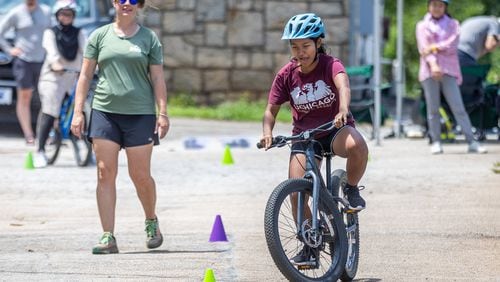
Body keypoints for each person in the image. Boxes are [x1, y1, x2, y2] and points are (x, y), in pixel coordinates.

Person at [259, 13, 368, 264]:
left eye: (306, 46)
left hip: (334, 129)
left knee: (358, 145)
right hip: (305, 137)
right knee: (296, 191)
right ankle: (311, 244)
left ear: (318, 43)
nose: (300, 52)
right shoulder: (286, 74)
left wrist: (343, 109)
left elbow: (343, 86)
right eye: (295, 47)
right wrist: (267, 133)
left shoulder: (331, 64)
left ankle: (351, 189)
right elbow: (270, 110)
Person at [70, 0, 169, 254]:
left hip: (140, 113)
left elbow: (157, 77)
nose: (127, 3)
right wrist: (78, 111)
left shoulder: (149, 38)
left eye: (133, 0)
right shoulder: (99, 35)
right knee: (104, 172)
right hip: (105, 112)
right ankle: (107, 236)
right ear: (114, 2)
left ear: (140, 5)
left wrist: (163, 113)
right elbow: (84, 75)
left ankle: (151, 220)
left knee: (140, 175)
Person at [415, 0, 487, 154]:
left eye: (440, 5)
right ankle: (436, 141)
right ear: (429, 6)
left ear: (445, 7)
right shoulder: (422, 26)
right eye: (434, 5)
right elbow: (423, 48)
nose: (436, 8)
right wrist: (434, 64)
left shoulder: (453, 24)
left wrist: (434, 47)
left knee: (458, 107)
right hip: (429, 71)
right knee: (432, 109)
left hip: (449, 70)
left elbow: (452, 45)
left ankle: (472, 142)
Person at [33, 0, 87, 168]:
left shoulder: (79, 33)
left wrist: (92, 66)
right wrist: (56, 63)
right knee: (50, 110)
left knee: (82, 109)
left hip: (73, 78)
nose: (66, 17)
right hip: (53, 77)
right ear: (57, 16)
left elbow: (87, 51)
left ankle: (85, 147)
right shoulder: (50, 32)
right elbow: (50, 51)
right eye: (62, 14)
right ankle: (40, 151)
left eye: (69, 14)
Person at [0, 0, 51, 144]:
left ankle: (47, 134)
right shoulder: (16, 12)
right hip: (24, 61)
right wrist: (10, 50)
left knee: (46, 96)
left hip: (42, 60)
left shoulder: (46, 12)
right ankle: (29, 135)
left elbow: (53, 34)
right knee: (25, 97)